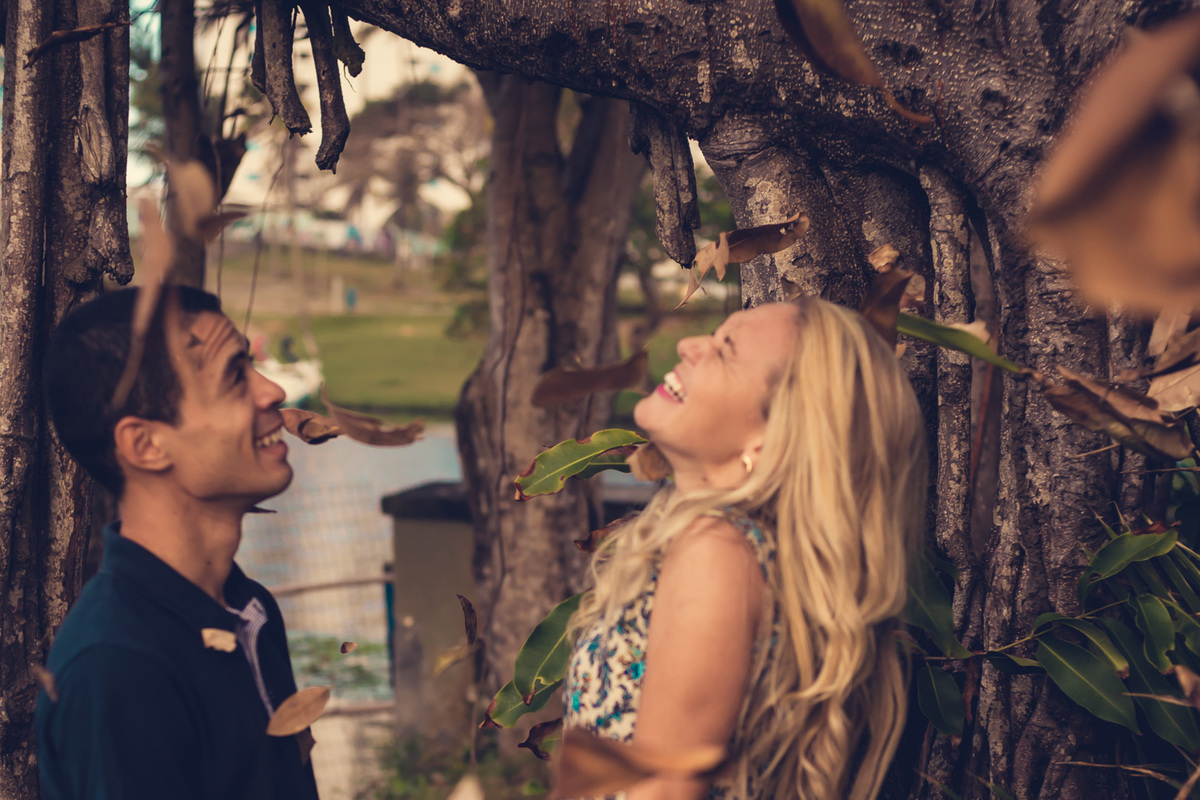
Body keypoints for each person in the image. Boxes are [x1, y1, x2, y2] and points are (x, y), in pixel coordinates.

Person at [564, 297, 928, 800]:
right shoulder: (729, 548)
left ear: (770, 438)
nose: (689, 345)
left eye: (726, 349)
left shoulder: (716, 554)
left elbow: (662, 788)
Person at [36, 286, 320, 800]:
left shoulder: (250, 610)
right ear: (146, 444)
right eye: (235, 375)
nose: (273, 391)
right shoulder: (116, 669)